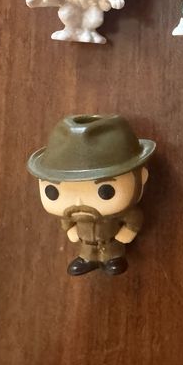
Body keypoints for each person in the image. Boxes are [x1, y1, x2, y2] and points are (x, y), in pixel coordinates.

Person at [27, 114, 155, 275]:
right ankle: (87, 259)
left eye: (106, 191)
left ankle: (112, 259)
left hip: (110, 242)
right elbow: (66, 222)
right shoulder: (72, 215)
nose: (78, 201)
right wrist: (70, 230)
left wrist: (127, 232)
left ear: (142, 176)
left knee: (112, 251)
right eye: (53, 192)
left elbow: (134, 218)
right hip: (85, 243)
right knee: (87, 251)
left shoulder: (119, 213)